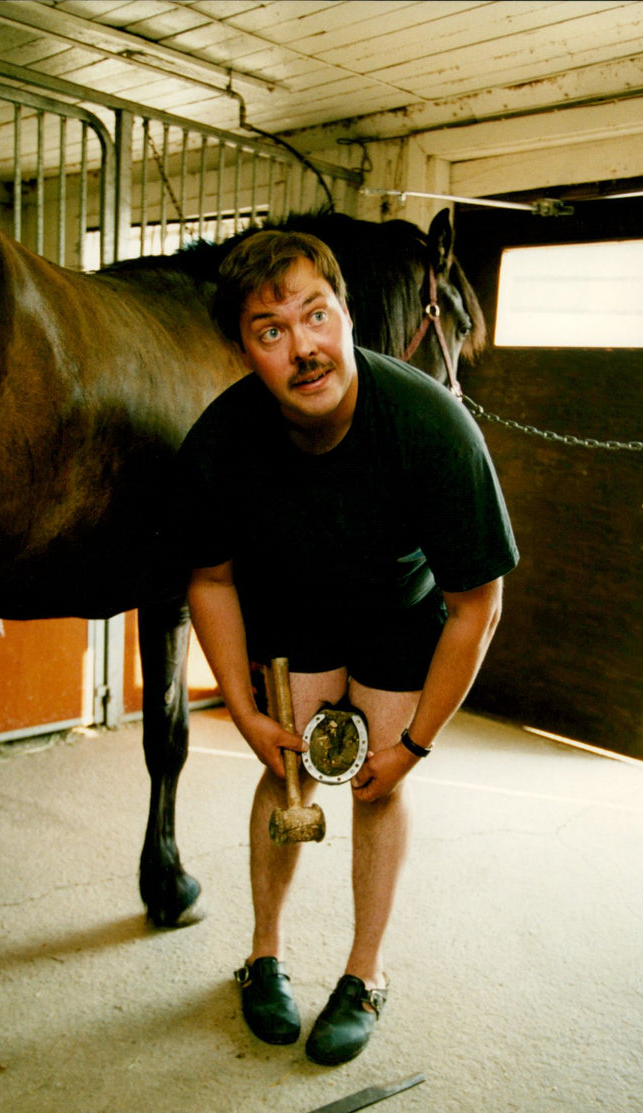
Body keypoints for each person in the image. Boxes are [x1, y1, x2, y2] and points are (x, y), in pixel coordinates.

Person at [176, 228, 519, 1066]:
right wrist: (248, 711)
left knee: (374, 787)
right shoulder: (222, 440)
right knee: (288, 773)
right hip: (293, 605)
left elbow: (477, 604)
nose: (303, 348)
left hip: (400, 610)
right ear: (245, 350)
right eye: (271, 331)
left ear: (346, 313)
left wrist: (416, 744)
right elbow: (211, 581)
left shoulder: (432, 427)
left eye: (315, 315)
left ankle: (364, 975)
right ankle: (264, 956)